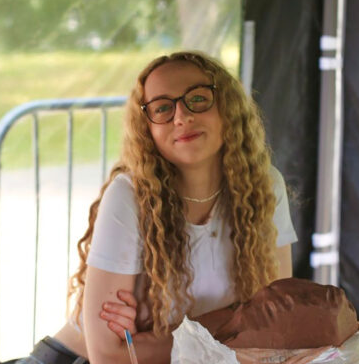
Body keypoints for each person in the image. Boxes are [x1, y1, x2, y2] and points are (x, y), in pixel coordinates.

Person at [16, 51, 297, 364]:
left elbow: (276, 320)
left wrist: (150, 341)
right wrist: (236, 326)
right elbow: (108, 355)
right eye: (162, 107)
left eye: (198, 98)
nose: (181, 117)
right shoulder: (130, 195)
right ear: (148, 127)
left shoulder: (264, 186)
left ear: (228, 106)